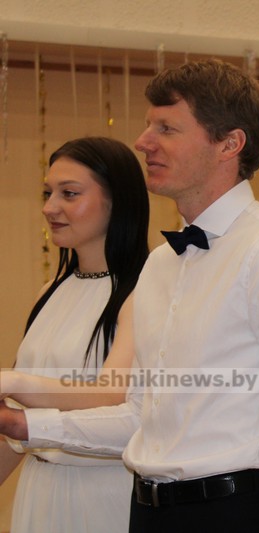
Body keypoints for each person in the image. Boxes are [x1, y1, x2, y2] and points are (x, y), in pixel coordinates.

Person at [0, 59, 259, 533]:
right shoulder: (161, 264)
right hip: (148, 513)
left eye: (166, 128)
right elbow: (140, 418)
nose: (143, 141)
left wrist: (244, 482)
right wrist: (25, 427)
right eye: (148, 126)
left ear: (229, 144)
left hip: (230, 513)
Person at [0, 136, 150, 532]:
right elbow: (15, 424)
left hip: (101, 493)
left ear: (117, 201)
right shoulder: (49, 292)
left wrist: (14, 381)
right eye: (48, 193)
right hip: (38, 488)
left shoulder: (144, 291)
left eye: (69, 193)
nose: (50, 208)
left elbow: (113, 393)